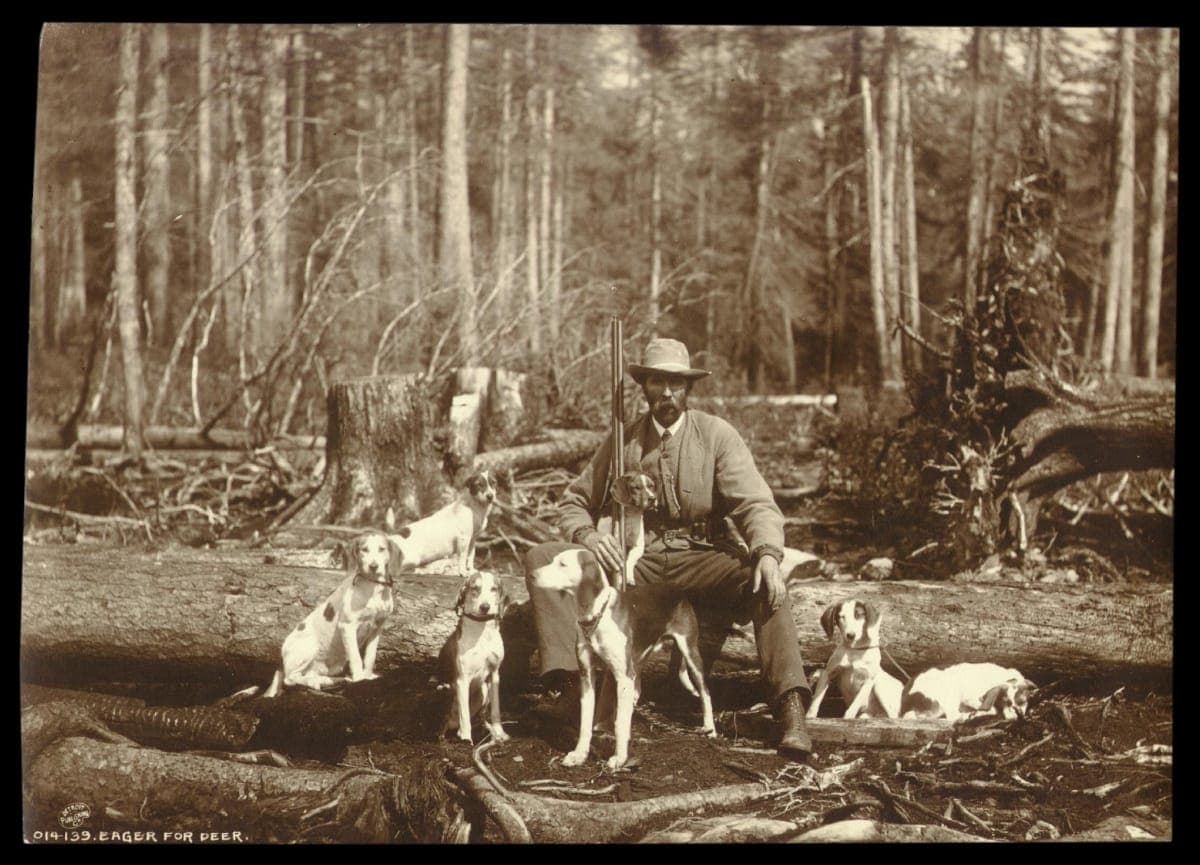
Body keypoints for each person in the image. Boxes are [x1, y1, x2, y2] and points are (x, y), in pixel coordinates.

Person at [523, 337, 813, 759]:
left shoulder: (716, 435)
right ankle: (572, 687)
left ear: (689, 389)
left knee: (766, 583)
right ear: (645, 387)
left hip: (703, 555)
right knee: (541, 558)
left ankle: (791, 706)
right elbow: (573, 501)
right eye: (658, 382)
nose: (667, 393)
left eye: (677, 384)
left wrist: (767, 553)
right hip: (637, 561)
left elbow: (755, 503)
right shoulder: (623, 441)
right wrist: (591, 537)